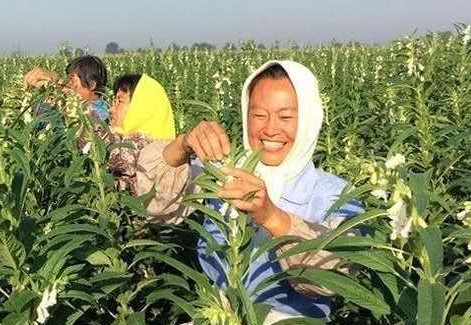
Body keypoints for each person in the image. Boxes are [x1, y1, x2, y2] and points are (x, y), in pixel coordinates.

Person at [134, 61, 362, 323]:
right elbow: (155, 207)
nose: (270, 129)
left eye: (286, 117)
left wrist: (271, 217)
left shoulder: (336, 195)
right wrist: (184, 145)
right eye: (258, 115)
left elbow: (335, 277)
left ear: (309, 120)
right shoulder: (224, 174)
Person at [24, 55, 110, 122]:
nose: (67, 84)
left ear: (91, 85)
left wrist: (55, 81)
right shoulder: (69, 105)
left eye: (72, 80)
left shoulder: (102, 115)